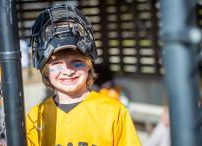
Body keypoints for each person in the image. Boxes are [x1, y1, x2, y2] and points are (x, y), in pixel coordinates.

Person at [26, 4, 141, 146]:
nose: (68, 71)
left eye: (77, 62)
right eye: (57, 64)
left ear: (89, 65)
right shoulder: (37, 116)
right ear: (46, 71)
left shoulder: (113, 111)